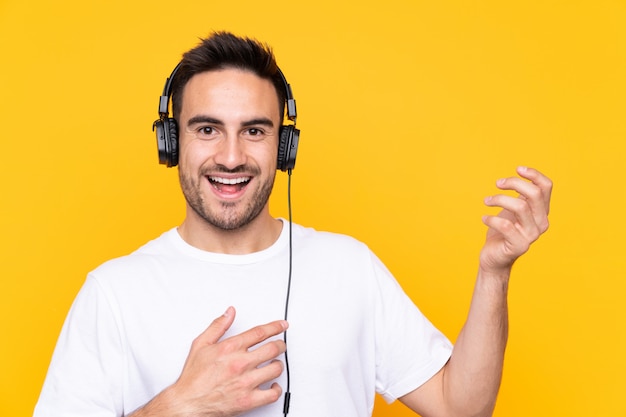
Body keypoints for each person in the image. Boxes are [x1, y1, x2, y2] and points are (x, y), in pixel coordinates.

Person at [34, 31, 552, 417]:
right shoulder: (113, 292)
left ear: (284, 148)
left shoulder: (349, 266)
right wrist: (178, 405)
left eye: (254, 130)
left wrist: (494, 273)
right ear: (172, 143)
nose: (231, 156)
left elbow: (461, 408)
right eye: (207, 128)